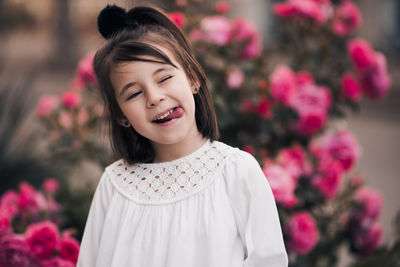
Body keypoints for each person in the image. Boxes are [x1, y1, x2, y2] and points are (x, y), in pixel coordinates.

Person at [77, 4, 288, 267]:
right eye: (134, 94)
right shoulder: (115, 185)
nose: (154, 98)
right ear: (121, 115)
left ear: (192, 78)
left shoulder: (235, 172)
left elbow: (268, 260)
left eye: (164, 78)